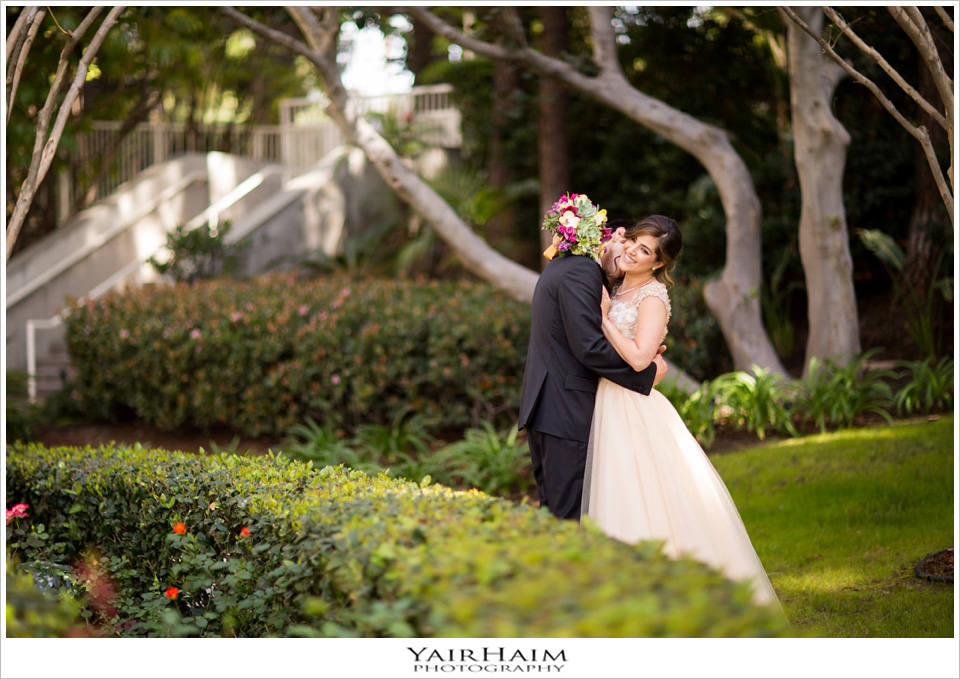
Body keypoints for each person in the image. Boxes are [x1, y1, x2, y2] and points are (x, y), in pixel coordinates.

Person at [582, 215, 781, 608]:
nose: (632, 252)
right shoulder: (617, 285)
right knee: (614, 490)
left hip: (633, 408)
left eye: (645, 251)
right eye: (634, 242)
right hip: (607, 401)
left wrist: (603, 319)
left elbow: (641, 357)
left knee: (643, 494)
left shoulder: (652, 297)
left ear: (658, 263)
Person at [518, 217, 667, 521]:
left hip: (553, 407)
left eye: (642, 249)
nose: (628, 250)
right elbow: (587, 347)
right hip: (563, 409)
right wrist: (647, 374)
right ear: (613, 236)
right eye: (628, 241)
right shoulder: (583, 271)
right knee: (567, 518)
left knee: (559, 515)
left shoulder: (569, 266)